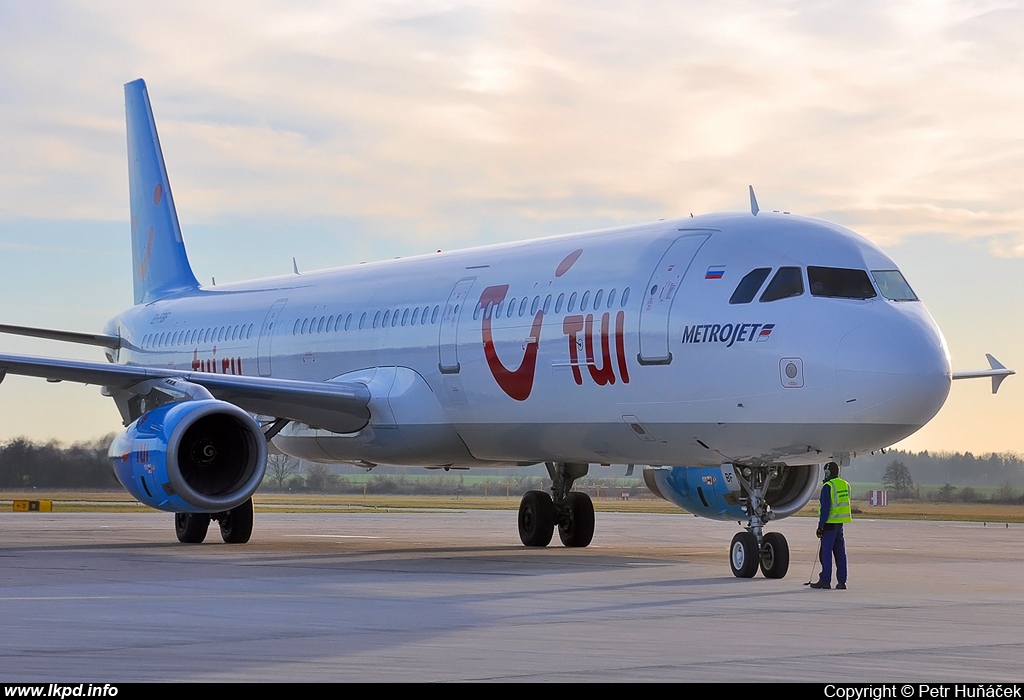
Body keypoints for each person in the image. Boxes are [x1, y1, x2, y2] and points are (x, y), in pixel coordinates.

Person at [810, 461, 851, 590]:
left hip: (829, 524)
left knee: (826, 553)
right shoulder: (845, 484)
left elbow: (826, 508)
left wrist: (820, 526)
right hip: (840, 524)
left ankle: (825, 580)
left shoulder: (828, 486)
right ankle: (842, 582)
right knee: (840, 553)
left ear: (827, 472)